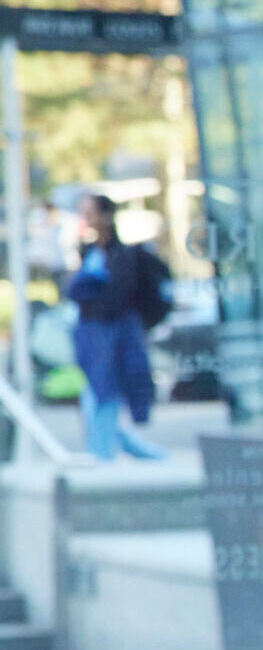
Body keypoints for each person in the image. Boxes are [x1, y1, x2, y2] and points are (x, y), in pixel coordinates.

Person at [65, 193, 168, 460]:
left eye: (89, 213)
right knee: (95, 404)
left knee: (102, 400)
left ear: (104, 216)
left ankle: (107, 459)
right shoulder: (87, 251)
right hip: (92, 341)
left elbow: (117, 299)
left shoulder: (123, 256)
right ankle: (143, 456)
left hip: (112, 341)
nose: (85, 219)